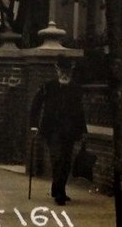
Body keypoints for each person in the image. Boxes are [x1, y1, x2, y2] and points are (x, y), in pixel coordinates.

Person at [30, 57, 87, 206]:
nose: (64, 74)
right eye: (62, 71)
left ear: (71, 71)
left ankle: (58, 189)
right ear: (57, 70)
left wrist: (83, 131)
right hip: (52, 130)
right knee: (57, 159)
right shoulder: (48, 87)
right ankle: (59, 193)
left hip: (70, 131)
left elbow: (80, 111)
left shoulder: (75, 88)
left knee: (66, 161)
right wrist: (34, 125)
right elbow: (35, 105)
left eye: (67, 71)